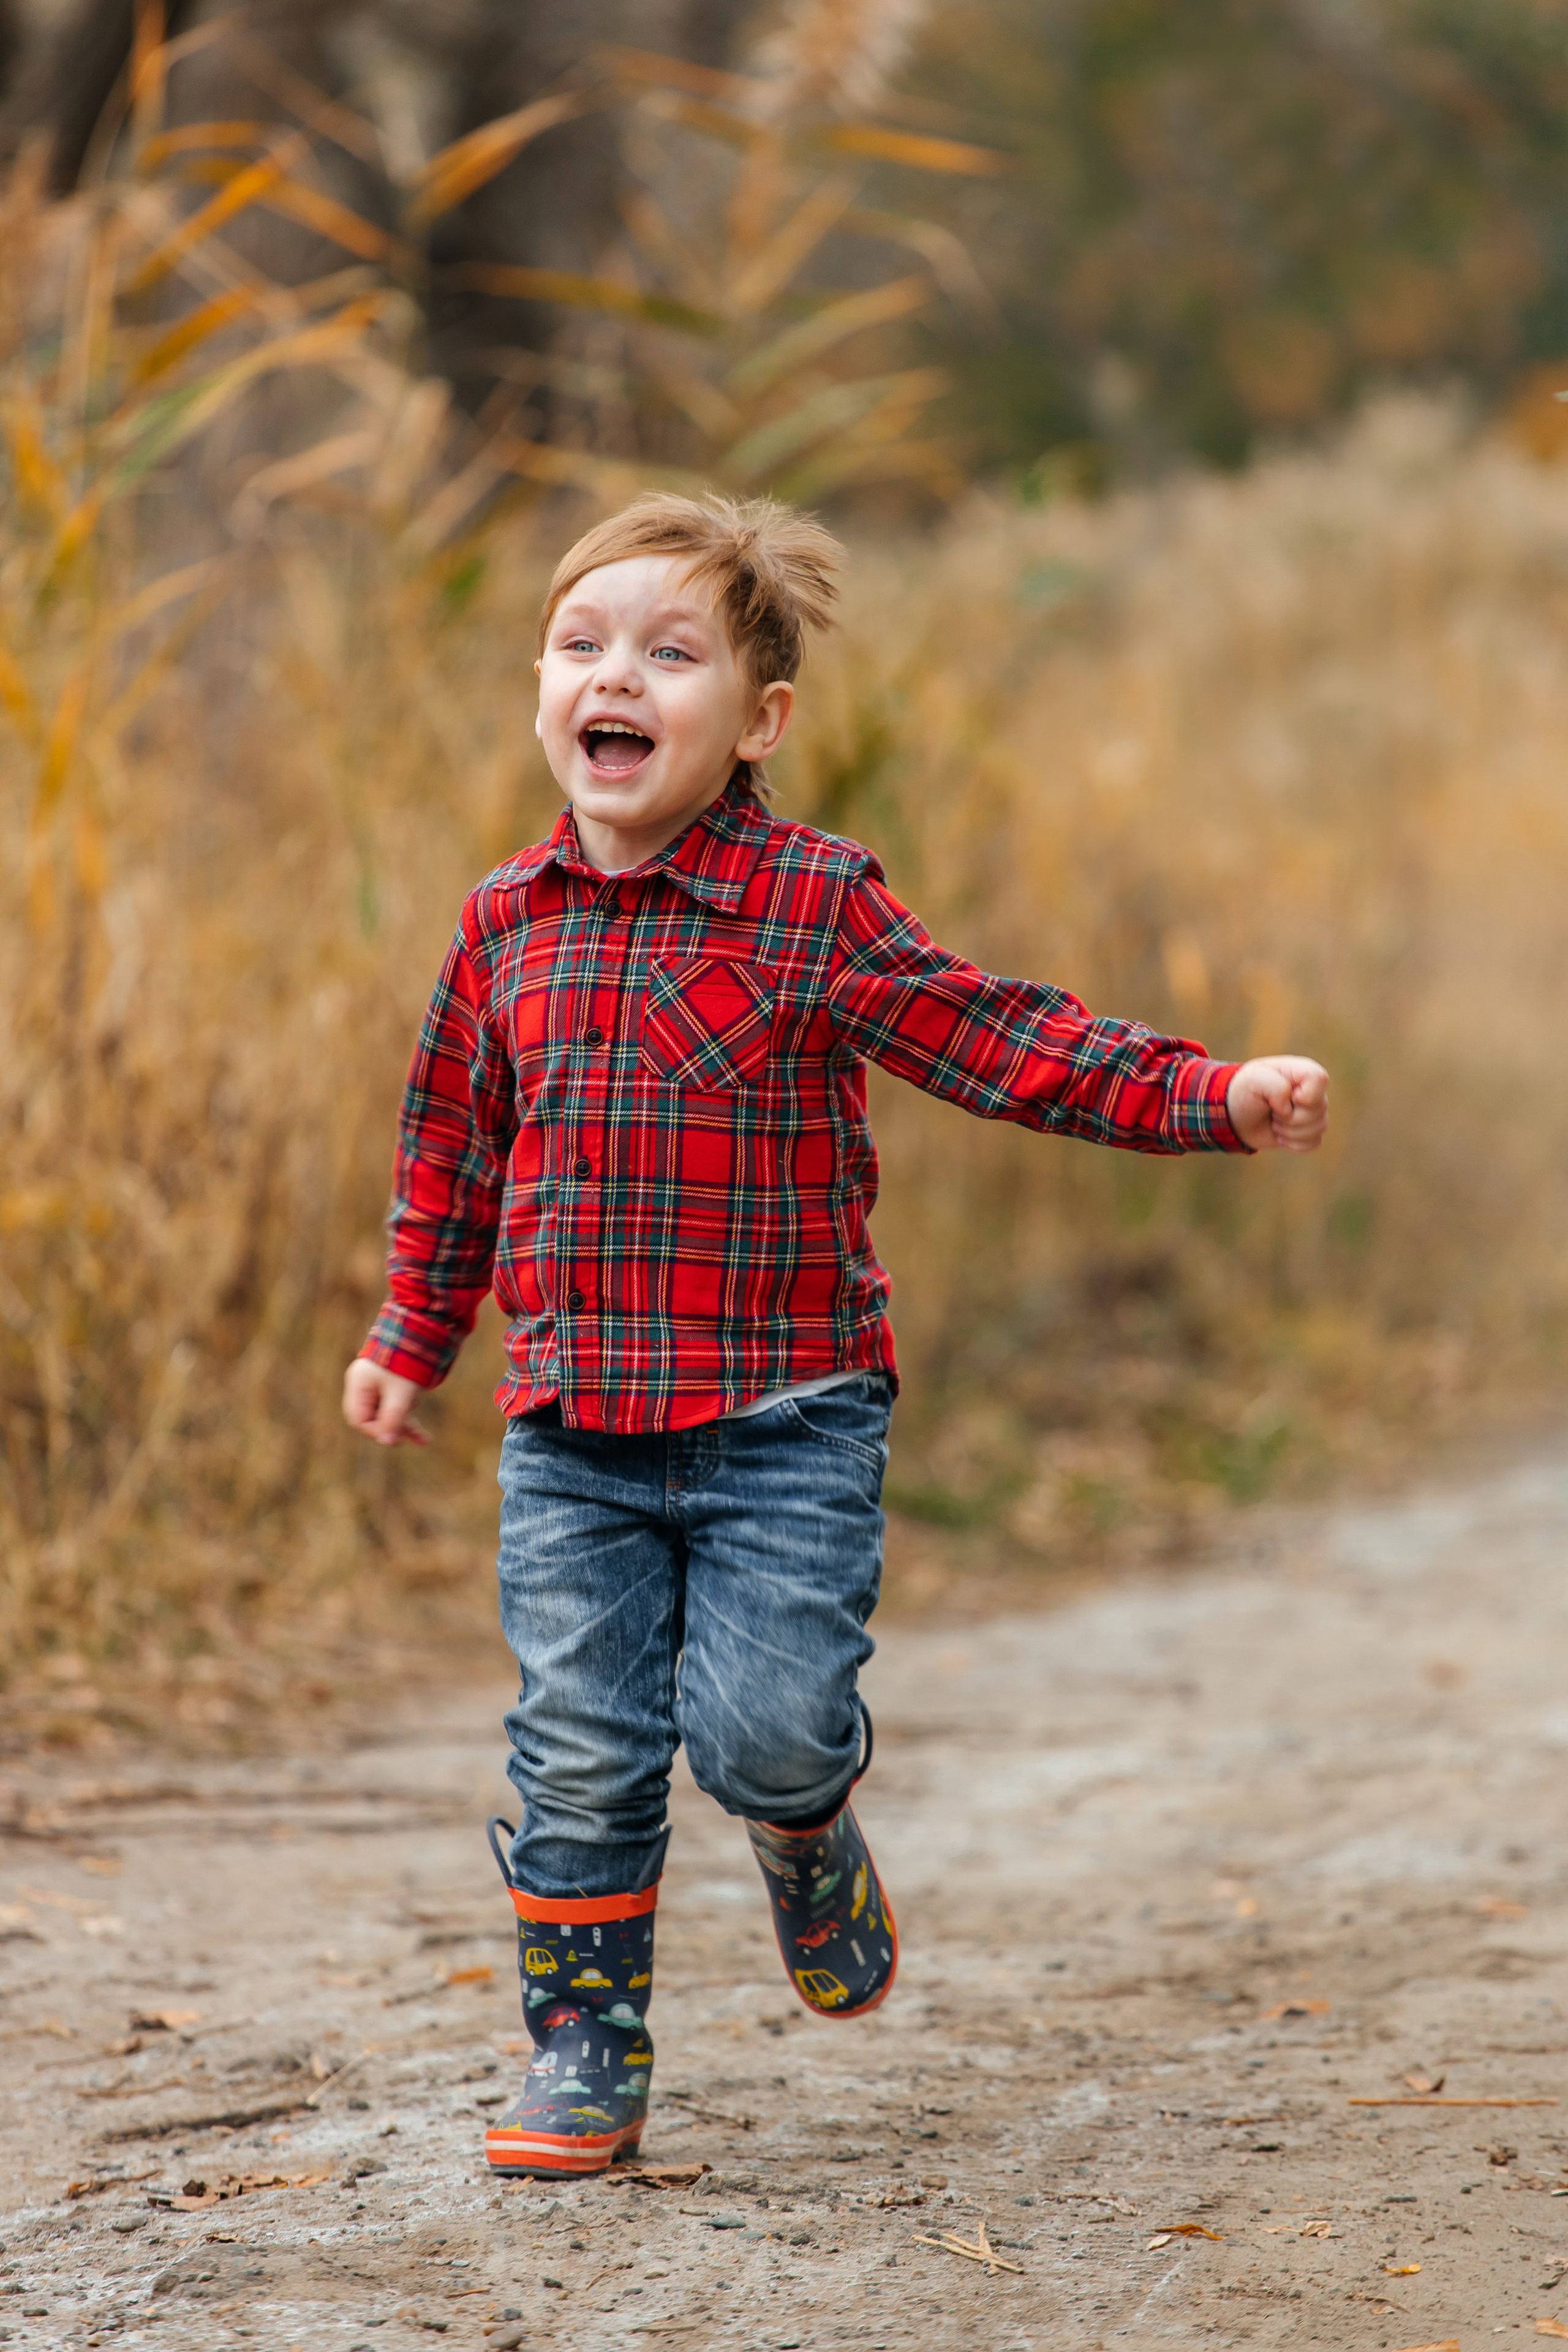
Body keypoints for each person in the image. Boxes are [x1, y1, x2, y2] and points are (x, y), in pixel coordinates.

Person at [342, 492, 1329, 2178]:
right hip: (573, 1427)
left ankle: (805, 1826)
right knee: (578, 1742)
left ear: (758, 721)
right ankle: (585, 2049)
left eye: (670, 654)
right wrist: (411, 1330)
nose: (618, 679)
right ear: (540, 694)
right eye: (583, 647)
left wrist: (1209, 1098)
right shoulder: (503, 923)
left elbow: (999, 1038)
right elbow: (454, 1146)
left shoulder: (813, 905)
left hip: (782, 1421)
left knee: (765, 1730)